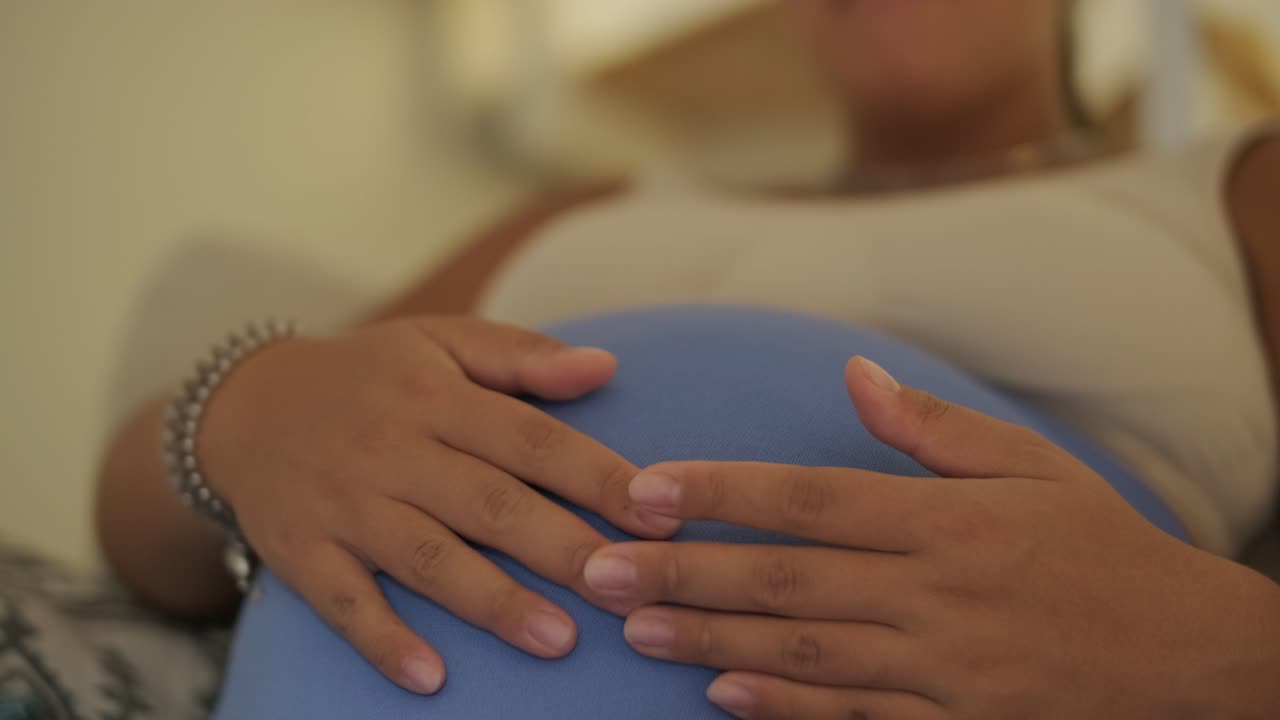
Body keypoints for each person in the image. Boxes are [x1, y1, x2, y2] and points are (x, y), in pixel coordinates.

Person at [94, 0, 1280, 716]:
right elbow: (134, 526)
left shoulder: (1232, 186)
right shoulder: (582, 212)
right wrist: (246, 410)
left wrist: (1232, 661)